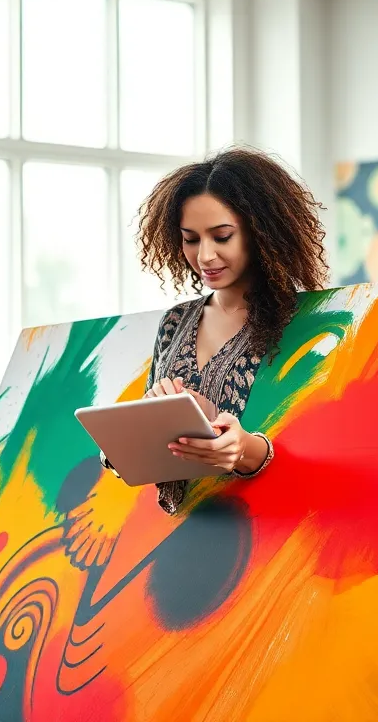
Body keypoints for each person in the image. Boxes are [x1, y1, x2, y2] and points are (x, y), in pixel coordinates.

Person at [107, 146, 329, 514]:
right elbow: (154, 460)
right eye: (191, 239)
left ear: (262, 233)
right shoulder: (175, 322)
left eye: (222, 236)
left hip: (273, 535)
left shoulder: (308, 322)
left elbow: (323, 450)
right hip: (178, 537)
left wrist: (244, 449)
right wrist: (139, 430)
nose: (205, 256)